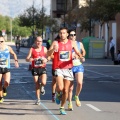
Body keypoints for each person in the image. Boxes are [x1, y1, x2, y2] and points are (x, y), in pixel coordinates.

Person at [47, 27, 83, 115]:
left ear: (67, 34)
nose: (62, 34)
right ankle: (58, 93)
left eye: (64, 33)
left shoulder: (72, 43)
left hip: (68, 68)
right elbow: (48, 54)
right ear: (59, 34)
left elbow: (78, 52)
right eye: (60, 33)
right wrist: (52, 49)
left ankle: (62, 107)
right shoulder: (55, 43)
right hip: (58, 68)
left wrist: (81, 56)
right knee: (60, 87)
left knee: (66, 91)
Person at [26, 36, 49, 105]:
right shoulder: (32, 49)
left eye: (40, 41)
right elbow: (27, 58)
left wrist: (46, 59)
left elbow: (50, 56)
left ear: (42, 42)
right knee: (36, 84)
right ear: (35, 42)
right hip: (35, 68)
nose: (39, 43)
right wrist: (30, 59)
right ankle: (38, 99)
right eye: (38, 41)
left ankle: (42, 87)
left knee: (44, 82)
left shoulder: (44, 49)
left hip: (42, 68)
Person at [68, 30, 86, 111]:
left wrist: (81, 56)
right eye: (71, 35)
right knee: (70, 87)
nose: (73, 36)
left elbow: (83, 51)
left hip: (78, 65)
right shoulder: (67, 44)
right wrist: (71, 56)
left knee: (80, 83)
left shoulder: (79, 43)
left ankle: (76, 96)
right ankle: (70, 103)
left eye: (74, 34)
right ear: (68, 36)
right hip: (69, 66)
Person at [0, 35, 19, 103]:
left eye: (1, 41)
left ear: (4, 41)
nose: (0, 43)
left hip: (6, 67)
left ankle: (4, 88)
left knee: (7, 82)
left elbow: (14, 54)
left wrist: (16, 61)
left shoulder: (8, 48)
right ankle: (1, 97)